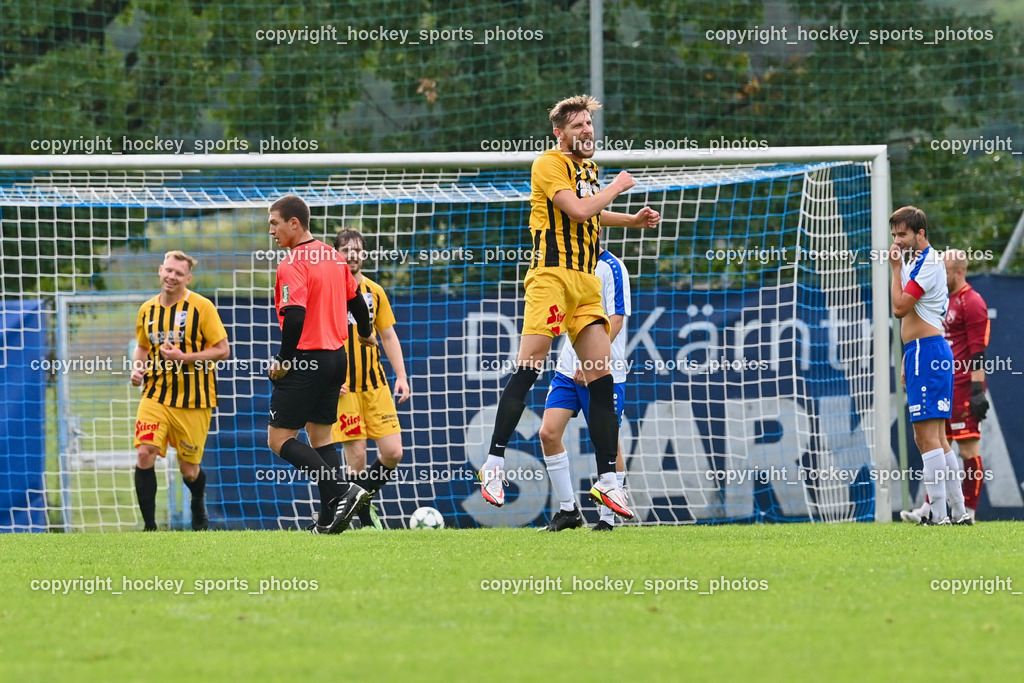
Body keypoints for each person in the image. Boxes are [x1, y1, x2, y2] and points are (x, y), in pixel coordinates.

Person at [478, 94, 659, 521]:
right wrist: (616, 187)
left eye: (589, 124)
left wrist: (630, 220)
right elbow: (577, 210)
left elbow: (592, 215)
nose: (587, 131)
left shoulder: (588, 170)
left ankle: (608, 481)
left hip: (585, 282)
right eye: (578, 126)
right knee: (529, 368)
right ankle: (494, 463)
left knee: (601, 378)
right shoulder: (548, 163)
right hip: (552, 278)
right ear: (560, 133)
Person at [265, 194, 377, 535]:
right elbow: (357, 301)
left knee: (279, 440)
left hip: (305, 360)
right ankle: (329, 520)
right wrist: (365, 333)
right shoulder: (333, 256)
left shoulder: (292, 263)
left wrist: (284, 360)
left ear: (294, 223)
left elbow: (295, 317)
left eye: (274, 223)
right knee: (321, 437)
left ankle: (343, 491)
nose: (271, 231)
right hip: (336, 359)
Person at [131, 250, 230, 531]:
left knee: (189, 470)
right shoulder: (147, 310)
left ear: (188, 278)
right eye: (169, 270)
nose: (172, 276)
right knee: (145, 452)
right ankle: (150, 528)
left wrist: (185, 358)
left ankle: (197, 500)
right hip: (155, 395)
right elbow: (142, 347)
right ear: (160, 270)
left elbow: (223, 350)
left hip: (194, 400)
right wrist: (137, 370)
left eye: (179, 273)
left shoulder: (202, 307)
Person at [539, 242, 631, 531]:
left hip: (602, 369)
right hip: (567, 369)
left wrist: (591, 360)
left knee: (608, 441)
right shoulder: (567, 265)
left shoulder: (612, 267)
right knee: (548, 433)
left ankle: (607, 519)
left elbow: (616, 319)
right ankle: (568, 511)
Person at [888, 206, 969, 526]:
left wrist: (894, 269)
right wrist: (908, 357)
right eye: (894, 235)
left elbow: (899, 308)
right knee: (937, 437)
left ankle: (938, 513)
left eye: (903, 234)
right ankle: (959, 511)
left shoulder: (927, 262)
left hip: (926, 350)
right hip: (921, 351)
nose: (897, 241)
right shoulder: (918, 262)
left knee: (925, 437)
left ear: (920, 234)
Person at [330, 229, 410, 529]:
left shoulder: (375, 291)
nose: (352, 255)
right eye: (346, 250)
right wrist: (327, 377)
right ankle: (364, 520)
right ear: (336, 254)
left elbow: (388, 335)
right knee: (357, 458)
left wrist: (401, 376)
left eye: (357, 250)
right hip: (344, 390)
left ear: (363, 254)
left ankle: (360, 502)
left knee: (393, 452)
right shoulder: (328, 292)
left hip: (376, 386)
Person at [902, 248, 989, 523]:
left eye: (946, 270)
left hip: (964, 386)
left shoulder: (972, 302)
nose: (941, 274)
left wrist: (977, 390)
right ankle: (933, 508)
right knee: (938, 443)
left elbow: (978, 350)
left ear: (959, 272)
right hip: (941, 379)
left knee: (967, 449)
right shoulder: (942, 298)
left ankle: (967, 510)